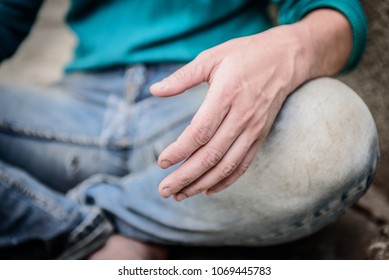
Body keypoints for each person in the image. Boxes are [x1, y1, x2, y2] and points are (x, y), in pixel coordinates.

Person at [0, 0, 379, 259]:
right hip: (66, 114)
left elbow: (336, 16)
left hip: (214, 102)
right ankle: (93, 232)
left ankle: (51, 216)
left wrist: (286, 54)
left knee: (339, 128)